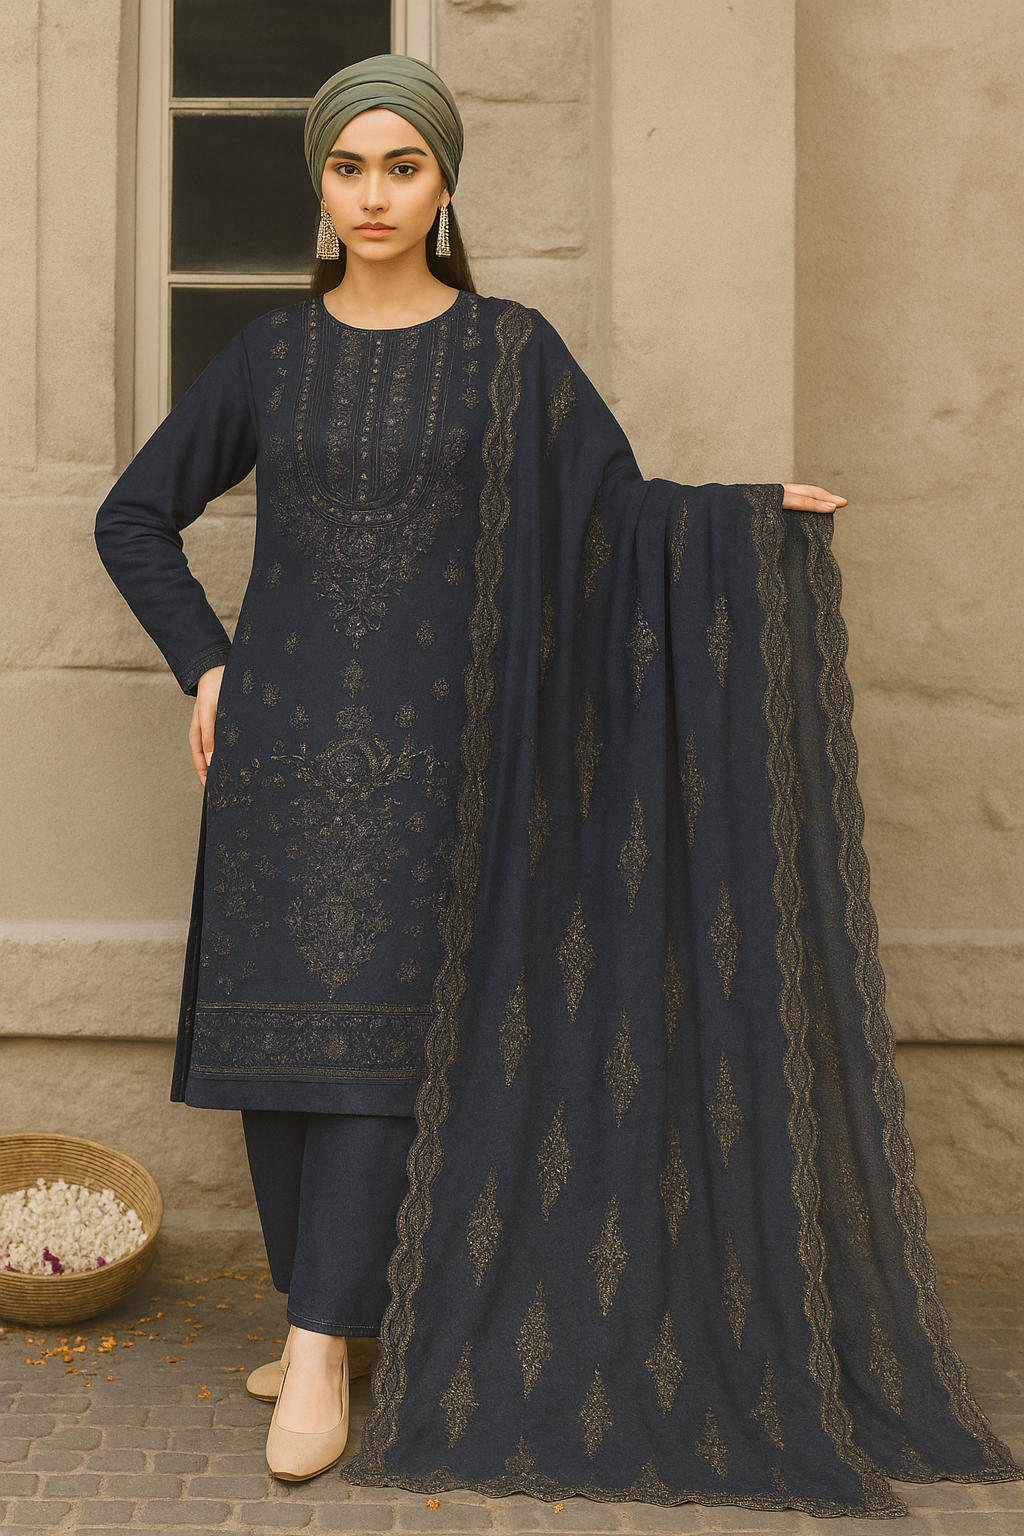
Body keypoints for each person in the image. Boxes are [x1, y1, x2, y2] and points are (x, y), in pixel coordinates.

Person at [96, 54, 1019, 1514]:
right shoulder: (269, 358)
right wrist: (207, 667)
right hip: (279, 767)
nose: (377, 194)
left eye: (405, 166)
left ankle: (321, 1350)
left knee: (380, 1056)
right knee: (282, 1052)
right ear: (322, 188)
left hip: (443, 763)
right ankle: (322, 1309)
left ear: (448, 184)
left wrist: (741, 523)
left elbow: (610, 520)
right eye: (352, 167)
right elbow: (133, 514)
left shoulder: (510, 352)